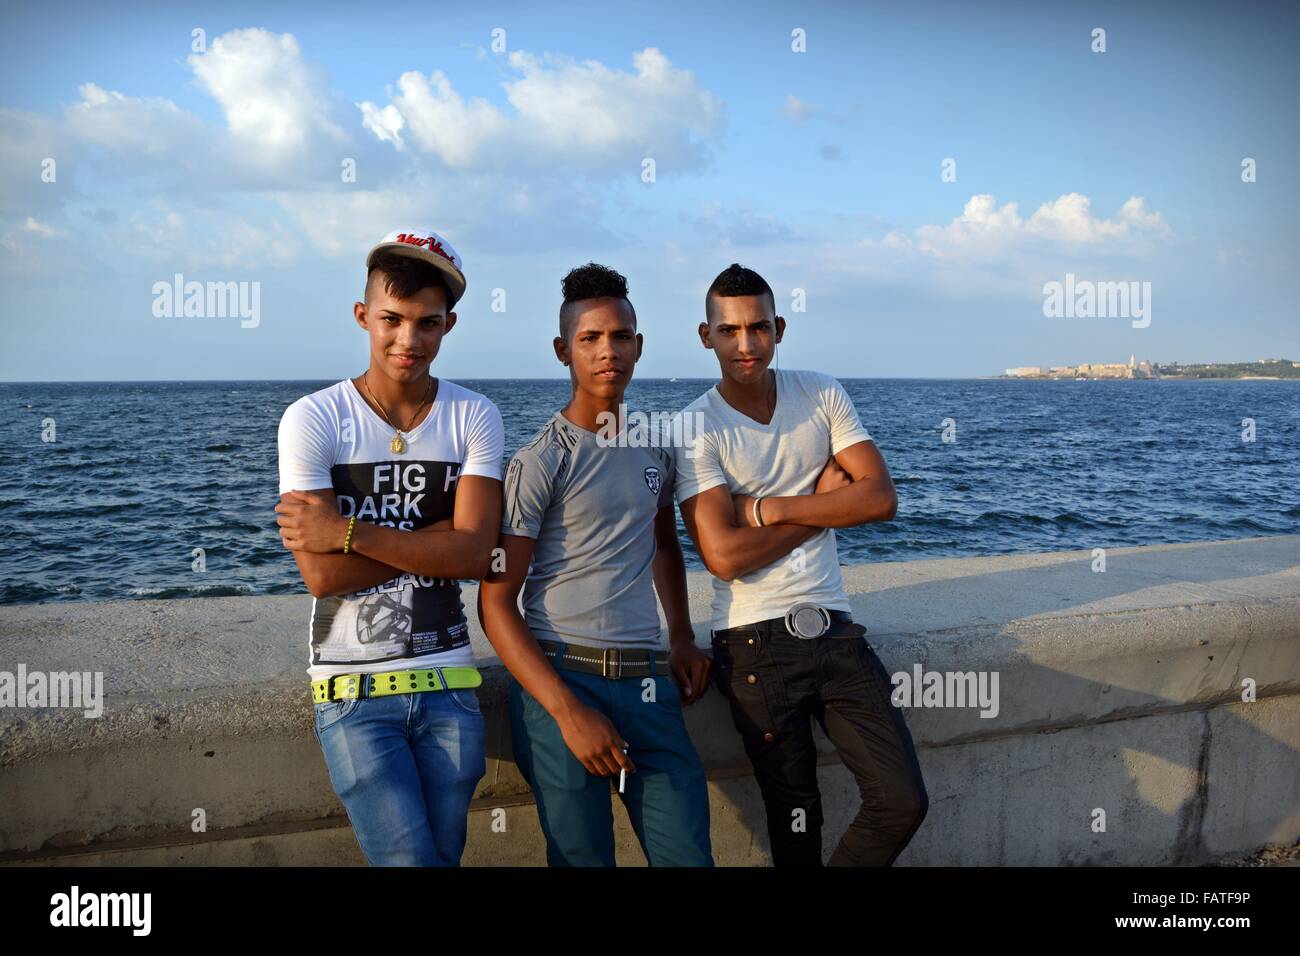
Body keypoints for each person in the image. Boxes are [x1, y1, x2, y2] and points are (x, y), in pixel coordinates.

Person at [673, 263, 928, 866]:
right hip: (753, 647)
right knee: (796, 835)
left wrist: (764, 509)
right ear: (705, 336)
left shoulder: (821, 392)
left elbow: (880, 498)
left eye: (758, 328)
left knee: (901, 800)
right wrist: (825, 504)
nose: (745, 344)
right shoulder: (693, 426)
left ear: (779, 328)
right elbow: (724, 557)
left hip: (837, 635)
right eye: (728, 330)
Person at [275, 228, 504, 866]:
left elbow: (476, 555)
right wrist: (442, 539)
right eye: (392, 320)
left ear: (449, 325)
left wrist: (348, 533)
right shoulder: (314, 418)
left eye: (427, 323)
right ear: (362, 316)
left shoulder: (473, 415)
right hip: (350, 694)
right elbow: (320, 576)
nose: (409, 340)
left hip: (451, 681)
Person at [477, 262, 714, 866]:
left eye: (620, 337)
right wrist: (566, 711)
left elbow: (663, 544)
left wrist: (682, 637)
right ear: (563, 350)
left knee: (688, 856)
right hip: (564, 678)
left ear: (639, 344)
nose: (608, 352)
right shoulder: (539, 461)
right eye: (589, 339)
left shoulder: (655, 444)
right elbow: (496, 602)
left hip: (648, 680)